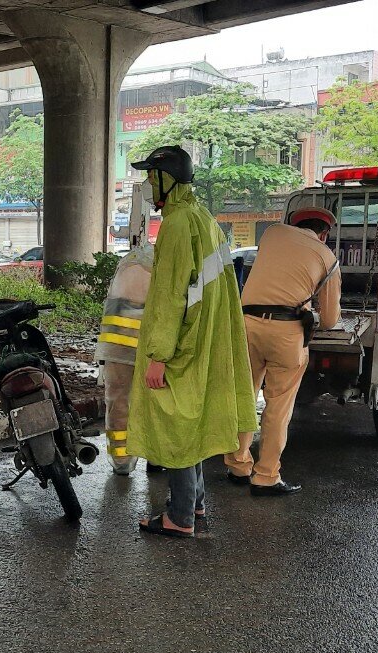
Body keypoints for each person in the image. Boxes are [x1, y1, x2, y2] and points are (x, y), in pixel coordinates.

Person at [126, 145, 256, 539]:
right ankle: (195, 503)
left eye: (152, 175)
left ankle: (179, 516)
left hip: (181, 343)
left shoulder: (178, 224)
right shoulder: (204, 218)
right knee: (192, 421)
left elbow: (170, 295)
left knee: (176, 424)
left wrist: (159, 356)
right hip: (205, 340)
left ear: (167, 179)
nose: (148, 183)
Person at [223, 208, 341, 496]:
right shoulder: (328, 257)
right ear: (323, 234)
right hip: (287, 333)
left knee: (245, 396)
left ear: (293, 224)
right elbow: (329, 320)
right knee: (277, 408)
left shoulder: (273, 233)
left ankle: (238, 466)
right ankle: (266, 476)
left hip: (247, 325)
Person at [96, 242, 153, 475]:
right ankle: (155, 456)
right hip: (147, 348)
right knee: (154, 403)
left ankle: (121, 462)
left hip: (115, 349)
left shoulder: (127, 265)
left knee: (117, 403)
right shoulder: (157, 267)